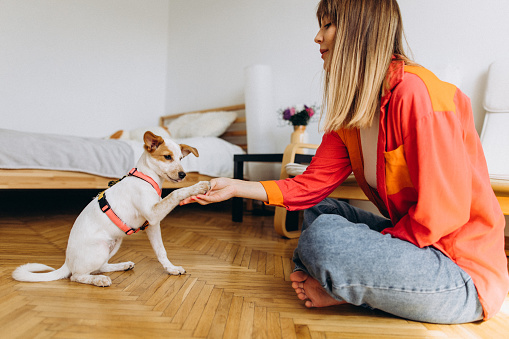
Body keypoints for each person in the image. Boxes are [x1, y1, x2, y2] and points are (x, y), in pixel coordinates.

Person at [181, 0, 509, 324]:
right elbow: (310, 187)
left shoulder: (418, 94)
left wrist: (372, 249)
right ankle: (338, 281)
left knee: (323, 240)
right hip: (413, 245)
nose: (317, 37)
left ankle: (335, 281)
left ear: (358, 29)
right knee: (320, 212)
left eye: (327, 25)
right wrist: (234, 186)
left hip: (458, 271)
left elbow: (444, 214)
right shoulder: (352, 114)